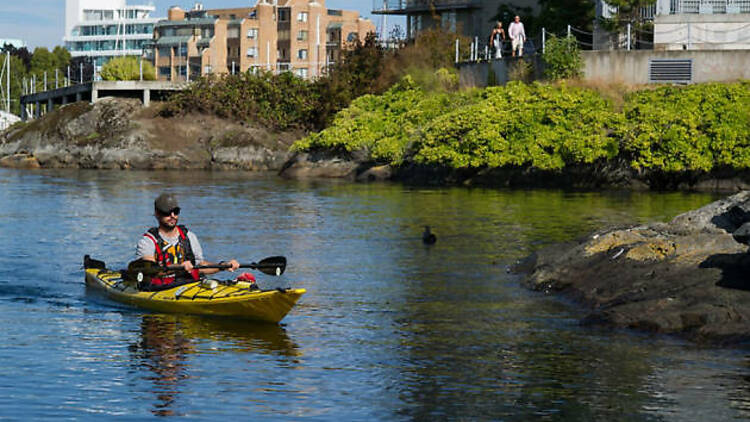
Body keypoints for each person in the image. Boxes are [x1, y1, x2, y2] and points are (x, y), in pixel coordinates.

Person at [134, 193, 239, 289]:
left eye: (176, 212)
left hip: (188, 285)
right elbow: (150, 271)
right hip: (160, 288)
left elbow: (200, 266)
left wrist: (222, 266)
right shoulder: (147, 242)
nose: (172, 216)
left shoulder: (189, 236)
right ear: (157, 214)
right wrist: (179, 267)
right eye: (167, 212)